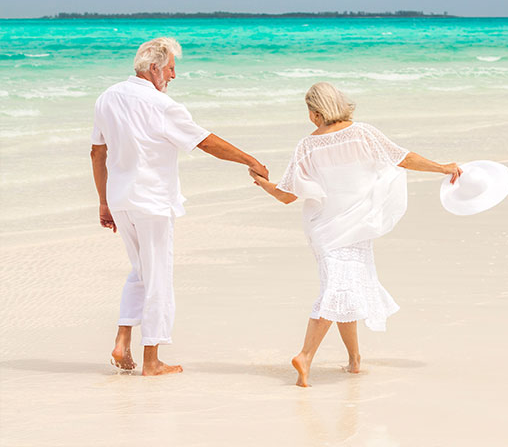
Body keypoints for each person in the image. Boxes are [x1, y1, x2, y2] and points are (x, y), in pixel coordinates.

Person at [249, 82, 461, 387]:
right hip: (355, 226)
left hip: (325, 229)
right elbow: (403, 158)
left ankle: (354, 360)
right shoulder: (363, 133)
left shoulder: (307, 146)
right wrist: (442, 168)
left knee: (346, 290)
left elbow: (286, 195)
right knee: (338, 289)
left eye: (309, 111)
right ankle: (305, 356)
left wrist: (261, 183)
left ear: (317, 112)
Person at [91, 37, 269, 376]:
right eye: (171, 69)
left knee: (141, 270)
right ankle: (152, 360)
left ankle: (122, 339)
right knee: (158, 277)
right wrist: (250, 159)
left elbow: (97, 153)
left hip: (120, 198)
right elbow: (205, 141)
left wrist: (103, 201)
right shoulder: (162, 106)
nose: (173, 76)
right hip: (152, 201)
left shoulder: (107, 97)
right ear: (155, 69)